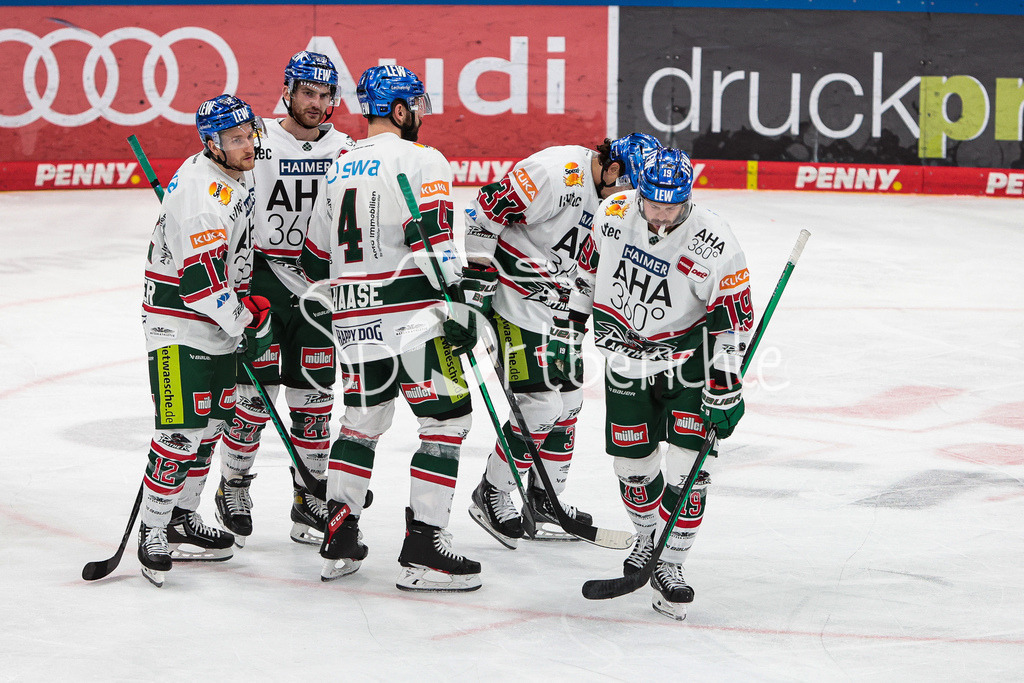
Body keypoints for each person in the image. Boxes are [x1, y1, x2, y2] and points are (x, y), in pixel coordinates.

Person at [301, 65, 482, 592]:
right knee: (447, 421)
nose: (420, 115)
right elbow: (437, 244)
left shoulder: (338, 167)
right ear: (400, 110)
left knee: (361, 423)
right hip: (414, 321)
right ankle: (424, 546)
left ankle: (338, 534)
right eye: (416, 106)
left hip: (354, 320)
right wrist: (461, 306)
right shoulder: (423, 159)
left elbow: (314, 259)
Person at [557, 147, 751, 619]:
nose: (662, 214)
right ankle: (647, 540)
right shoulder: (613, 213)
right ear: (640, 192)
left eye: (673, 205)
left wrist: (725, 383)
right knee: (634, 468)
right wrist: (568, 330)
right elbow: (585, 274)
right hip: (624, 361)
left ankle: (671, 564)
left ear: (689, 197)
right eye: (654, 203)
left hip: (688, 364)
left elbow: (734, 318)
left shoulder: (715, 241)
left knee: (691, 472)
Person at [462, 133, 661, 547]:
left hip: (559, 307)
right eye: (628, 186)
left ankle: (543, 500)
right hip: (513, 299)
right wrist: (478, 278)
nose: (632, 201)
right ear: (609, 168)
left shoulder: (620, 203)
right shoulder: (556, 174)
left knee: (569, 402)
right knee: (541, 405)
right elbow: (487, 208)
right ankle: (492, 491)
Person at [214, 51, 356, 548]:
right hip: (261, 283)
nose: (316, 104)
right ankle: (232, 485)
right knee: (253, 401)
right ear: (288, 91)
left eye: (324, 95)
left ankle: (308, 496)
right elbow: (214, 190)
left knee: (315, 401)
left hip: (320, 290)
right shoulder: (257, 141)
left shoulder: (346, 150)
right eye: (307, 93)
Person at [137, 94, 271, 587]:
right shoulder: (202, 197)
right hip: (178, 325)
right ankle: (153, 530)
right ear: (212, 144)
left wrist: (240, 308)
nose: (246, 145)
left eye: (248, 135)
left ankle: (180, 516)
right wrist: (246, 320)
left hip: (212, 323)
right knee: (179, 433)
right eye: (235, 139)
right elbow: (202, 287)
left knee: (212, 424)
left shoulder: (229, 175)